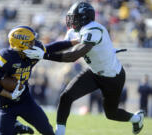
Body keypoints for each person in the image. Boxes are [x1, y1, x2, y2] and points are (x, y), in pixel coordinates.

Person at [23, 2, 145, 135]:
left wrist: (44, 56)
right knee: (66, 97)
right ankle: (60, 133)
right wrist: (43, 49)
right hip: (94, 73)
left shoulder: (94, 30)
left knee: (111, 114)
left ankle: (137, 118)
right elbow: (62, 45)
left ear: (84, 18)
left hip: (113, 77)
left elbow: (74, 56)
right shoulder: (77, 30)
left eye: (74, 17)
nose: (71, 20)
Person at [0, 25, 79, 135]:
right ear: (21, 43)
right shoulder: (7, 57)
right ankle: (15, 126)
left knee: (48, 131)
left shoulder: (34, 52)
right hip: (5, 105)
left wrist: (75, 42)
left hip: (25, 101)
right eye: (31, 41)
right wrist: (8, 95)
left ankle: (15, 125)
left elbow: (52, 47)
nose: (34, 43)